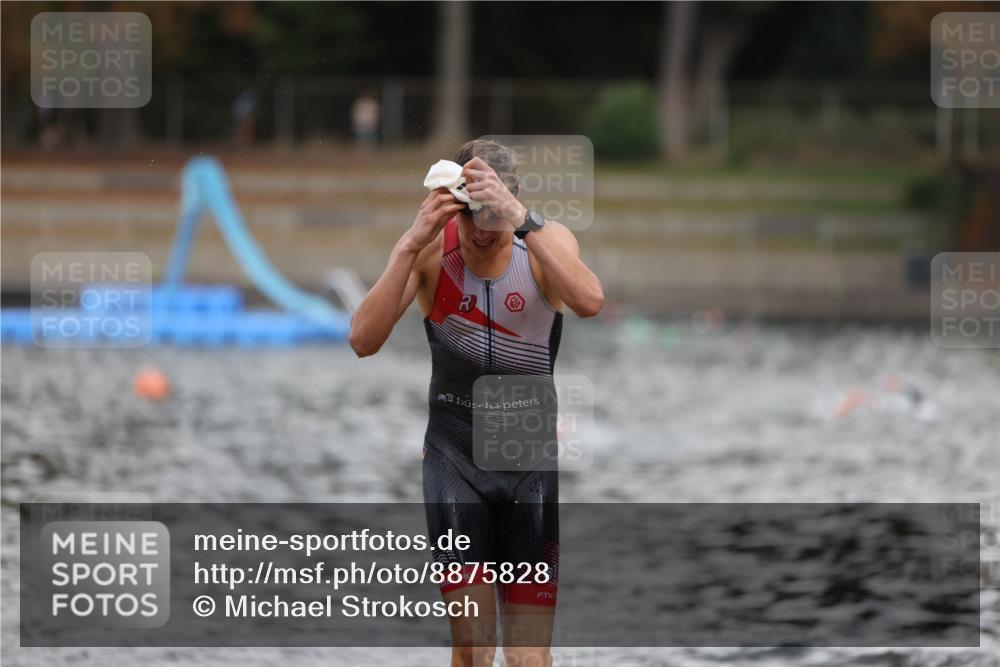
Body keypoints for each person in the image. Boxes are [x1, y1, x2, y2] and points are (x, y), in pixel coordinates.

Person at [349, 138, 603, 666]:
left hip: (528, 466)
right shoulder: (429, 252)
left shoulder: (546, 243)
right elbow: (362, 341)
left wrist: (521, 219)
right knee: (474, 644)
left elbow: (590, 301)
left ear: (512, 208)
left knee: (529, 658)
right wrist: (404, 246)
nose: (482, 239)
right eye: (471, 226)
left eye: (494, 226)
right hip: (453, 461)